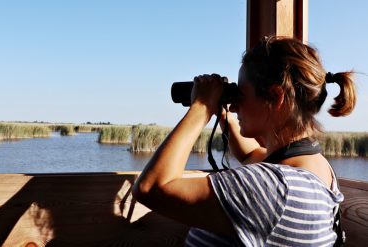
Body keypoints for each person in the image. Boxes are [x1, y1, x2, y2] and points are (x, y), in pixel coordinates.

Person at [132, 36, 357, 246]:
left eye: (240, 95)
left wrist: (202, 107)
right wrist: (222, 114)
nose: (234, 105)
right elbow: (250, 155)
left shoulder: (275, 189)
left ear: (276, 97)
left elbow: (151, 188)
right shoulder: (312, 168)